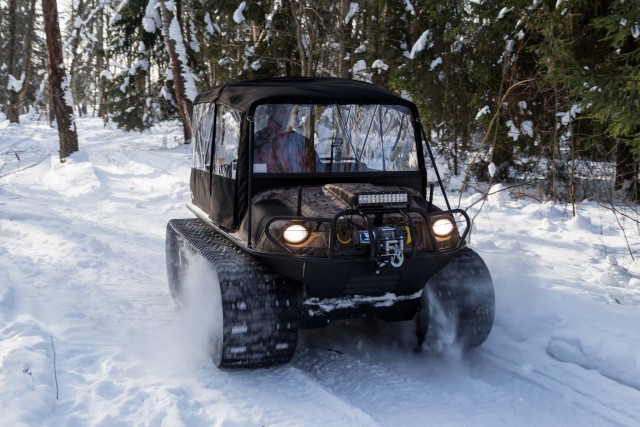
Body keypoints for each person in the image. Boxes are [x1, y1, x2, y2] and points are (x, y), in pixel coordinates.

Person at [253, 104, 310, 173]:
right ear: (274, 113)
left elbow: (316, 170)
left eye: (294, 112)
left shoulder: (301, 141)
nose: (288, 115)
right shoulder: (258, 141)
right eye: (283, 111)